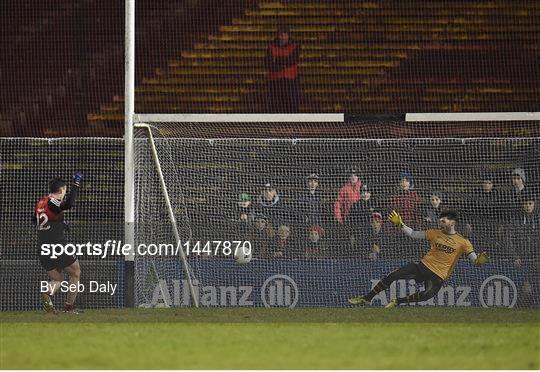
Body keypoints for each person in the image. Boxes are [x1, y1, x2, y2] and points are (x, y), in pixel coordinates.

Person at [348, 208, 489, 308]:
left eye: (443, 221)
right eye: (440, 221)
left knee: (426, 296)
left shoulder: (463, 242)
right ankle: (367, 298)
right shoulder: (434, 233)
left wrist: (479, 261)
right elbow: (414, 234)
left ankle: (398, 301)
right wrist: (400, 224)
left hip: (438, 276)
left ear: (452, 223)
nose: (441, 223)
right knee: (392, 275)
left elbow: (475, 261)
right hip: (422, 266)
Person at [35, 173, 83, 313]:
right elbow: (69, 204)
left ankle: (47, 294)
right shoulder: (53, 201)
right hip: (57, 246)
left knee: (58, 279)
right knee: (76, 272)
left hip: (43, 247)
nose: (64, 194)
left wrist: (61, 224)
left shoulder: (41, 203)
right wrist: (76, 184)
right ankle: (69, 307)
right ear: (61, 190)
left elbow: (43, 222)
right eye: (65, 191)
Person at [265, 24, 301, 113]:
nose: (283, 37)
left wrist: (277, 61)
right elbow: (268, 63)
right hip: (275, 81)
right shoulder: (271, 46)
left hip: (291, 80)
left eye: (285, 35)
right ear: (278, 35)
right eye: (281, 35)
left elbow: (293, 60)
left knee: (292, 105)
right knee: (276, 105)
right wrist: (285, 62)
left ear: (288, 36)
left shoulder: (295, 45)